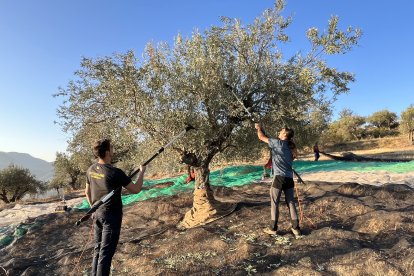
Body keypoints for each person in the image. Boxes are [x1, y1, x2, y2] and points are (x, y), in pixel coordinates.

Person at [85, 139, 146, 276]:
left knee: (98, 249)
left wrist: (92, 208)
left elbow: (86, 192)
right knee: (105, 254)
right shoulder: (115, 172)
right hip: (111, 217)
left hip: (97, 214)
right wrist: (142, 172)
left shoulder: (91, 169)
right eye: (112, 148)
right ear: (107, 152)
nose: (113, 150)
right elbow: (136, 189)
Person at [254, 123, 301, 239]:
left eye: (281, 131)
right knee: (291, 203)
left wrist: (259, 128)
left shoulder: (277, 143)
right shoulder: (291, 148)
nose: (279, 132)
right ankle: (296, 229)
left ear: (284, 134)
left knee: (274, 203)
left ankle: (273, 229)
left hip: (279, 178)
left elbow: (261, 137)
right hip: (289, 178)